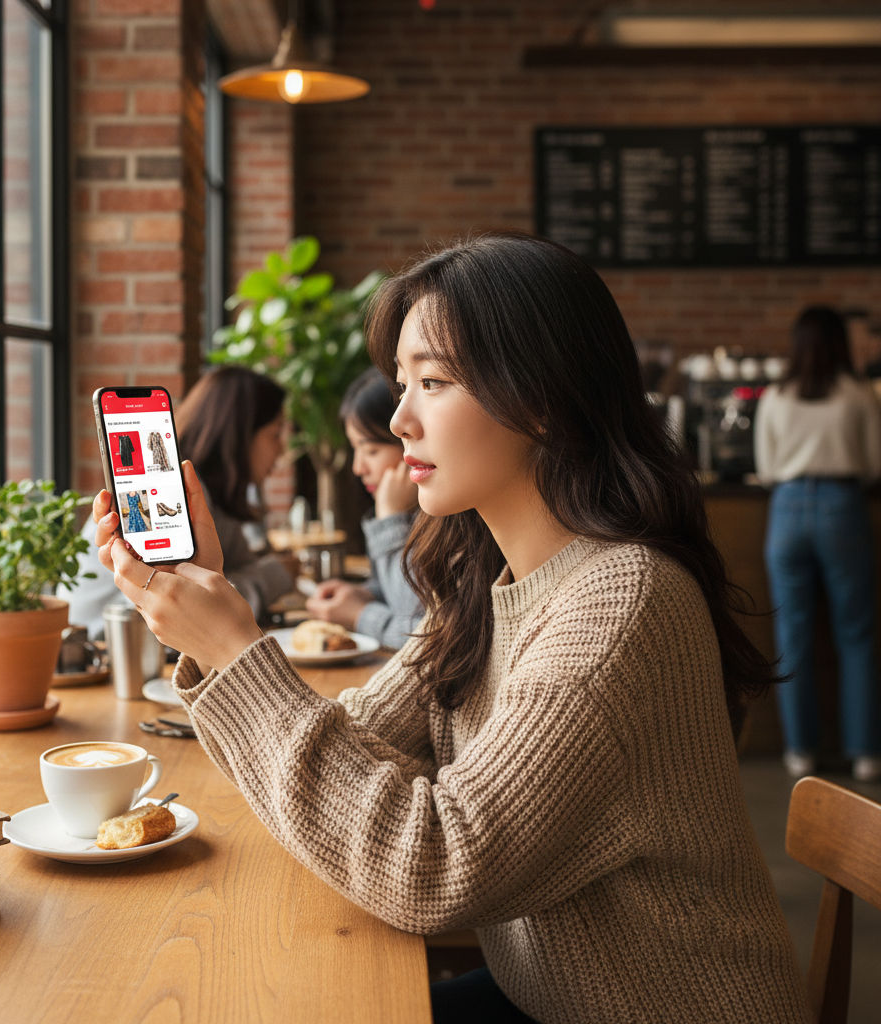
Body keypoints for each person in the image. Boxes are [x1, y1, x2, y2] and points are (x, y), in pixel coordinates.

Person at [93, 234, 809, 1024]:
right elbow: (360, 737)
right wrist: (209, 623)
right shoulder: (487, 582)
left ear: (541, 397)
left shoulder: (623, 605)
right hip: (545, 997)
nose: (398, 419)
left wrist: (235, 650)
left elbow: (433, 867)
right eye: (402, 382)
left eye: (432, 381)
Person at [63, 366, 295, 635]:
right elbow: (195, 608)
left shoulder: (218, 498)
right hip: (102, 643)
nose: (281, 449)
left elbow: (226, 577)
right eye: (275, 434)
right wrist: (278, 574)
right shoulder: (182, 492)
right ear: (240, 435)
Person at [755, 306, 881, 782]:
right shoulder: (859, 395)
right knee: (856, 635)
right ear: (839, 344)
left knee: (792, 637)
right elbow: (873, 465)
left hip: (786, 510)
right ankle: (866, 753)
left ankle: (800, 752)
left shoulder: (775, 397)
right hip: (843, 506)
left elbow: (765, 469)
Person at [306, 368, 423, 649]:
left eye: (371, 451)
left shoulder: (452, 520)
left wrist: (360, 615)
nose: (359, 468)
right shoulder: (407, 512)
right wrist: (362, 594)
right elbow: (396, 591)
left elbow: (418, 629)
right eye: (354, 450)